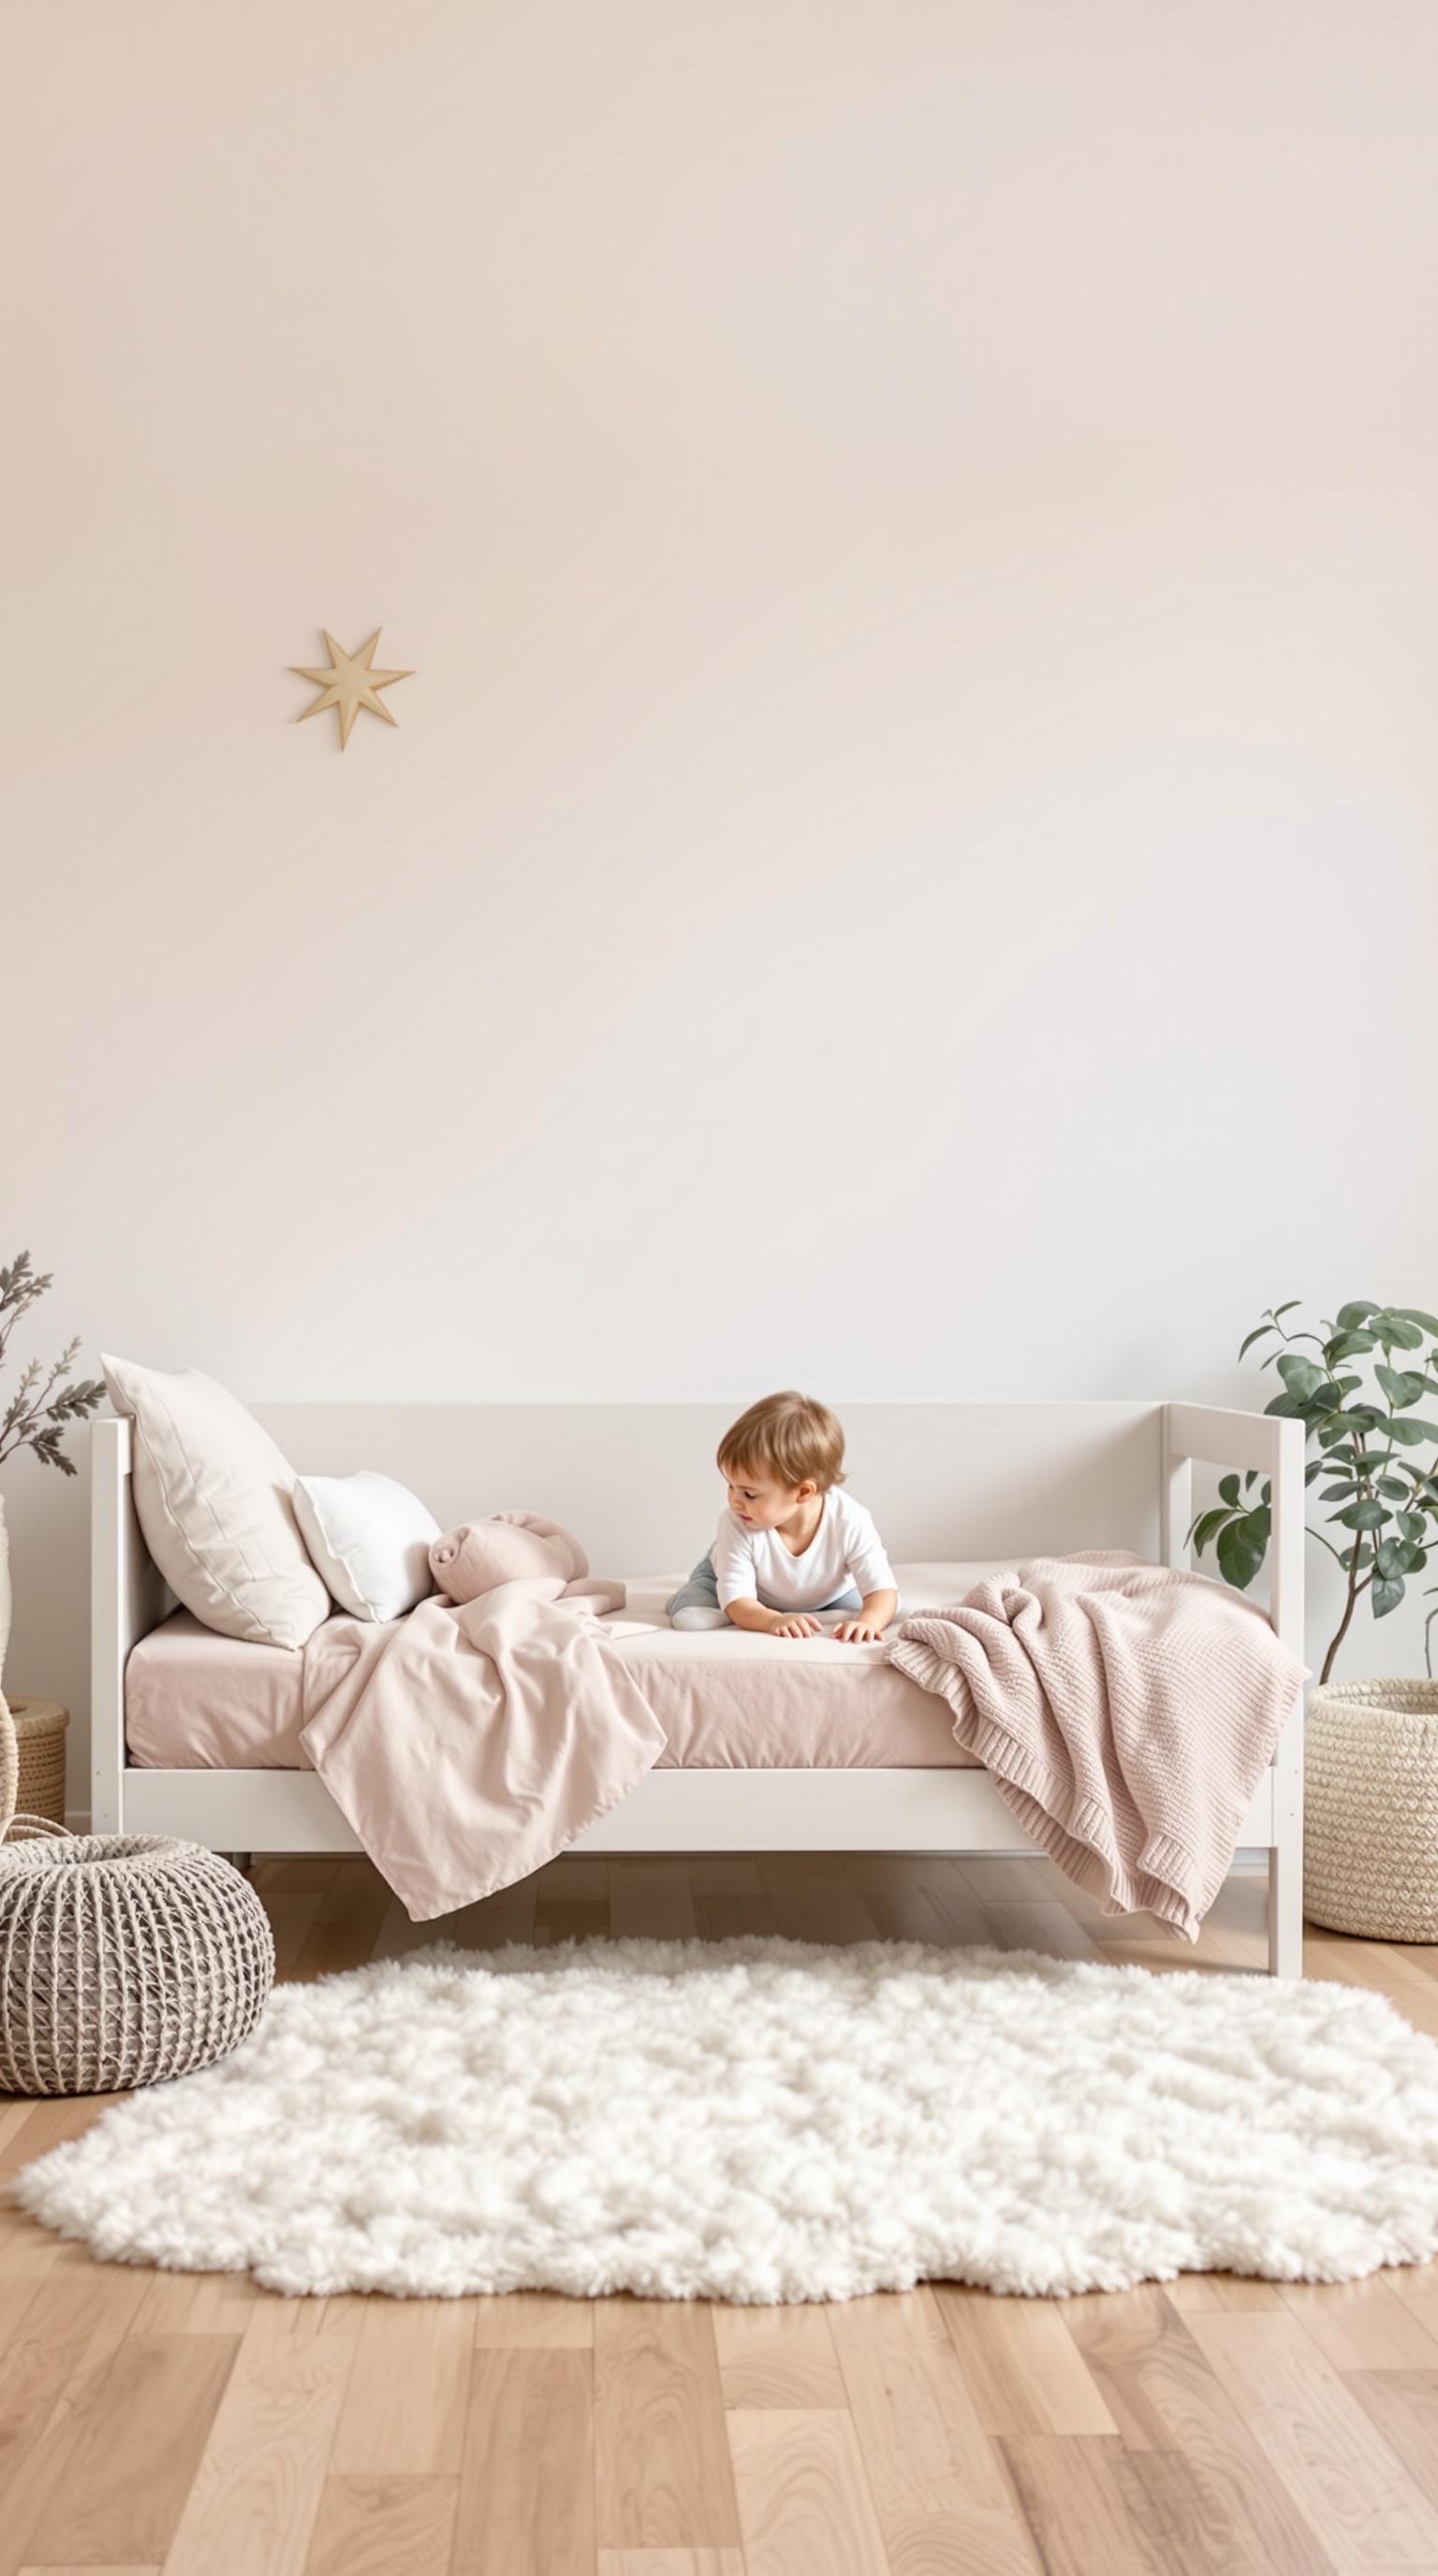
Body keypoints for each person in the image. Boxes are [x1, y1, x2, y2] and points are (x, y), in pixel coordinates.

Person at [666, 1391, 898, 1643]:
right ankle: (692, 1599)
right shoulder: (736, 1522)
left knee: (886, 1608)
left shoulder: (850, 1521)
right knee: (691, 1619)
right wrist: (773, 1620)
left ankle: (800, 1611)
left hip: (827, 1591)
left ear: (803, 1492)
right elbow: (738, 1599)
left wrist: (868, 1621)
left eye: (749, 1494)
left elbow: (882, 1589)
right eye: (731, 1486)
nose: (734, 1501)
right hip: (731, 1574)